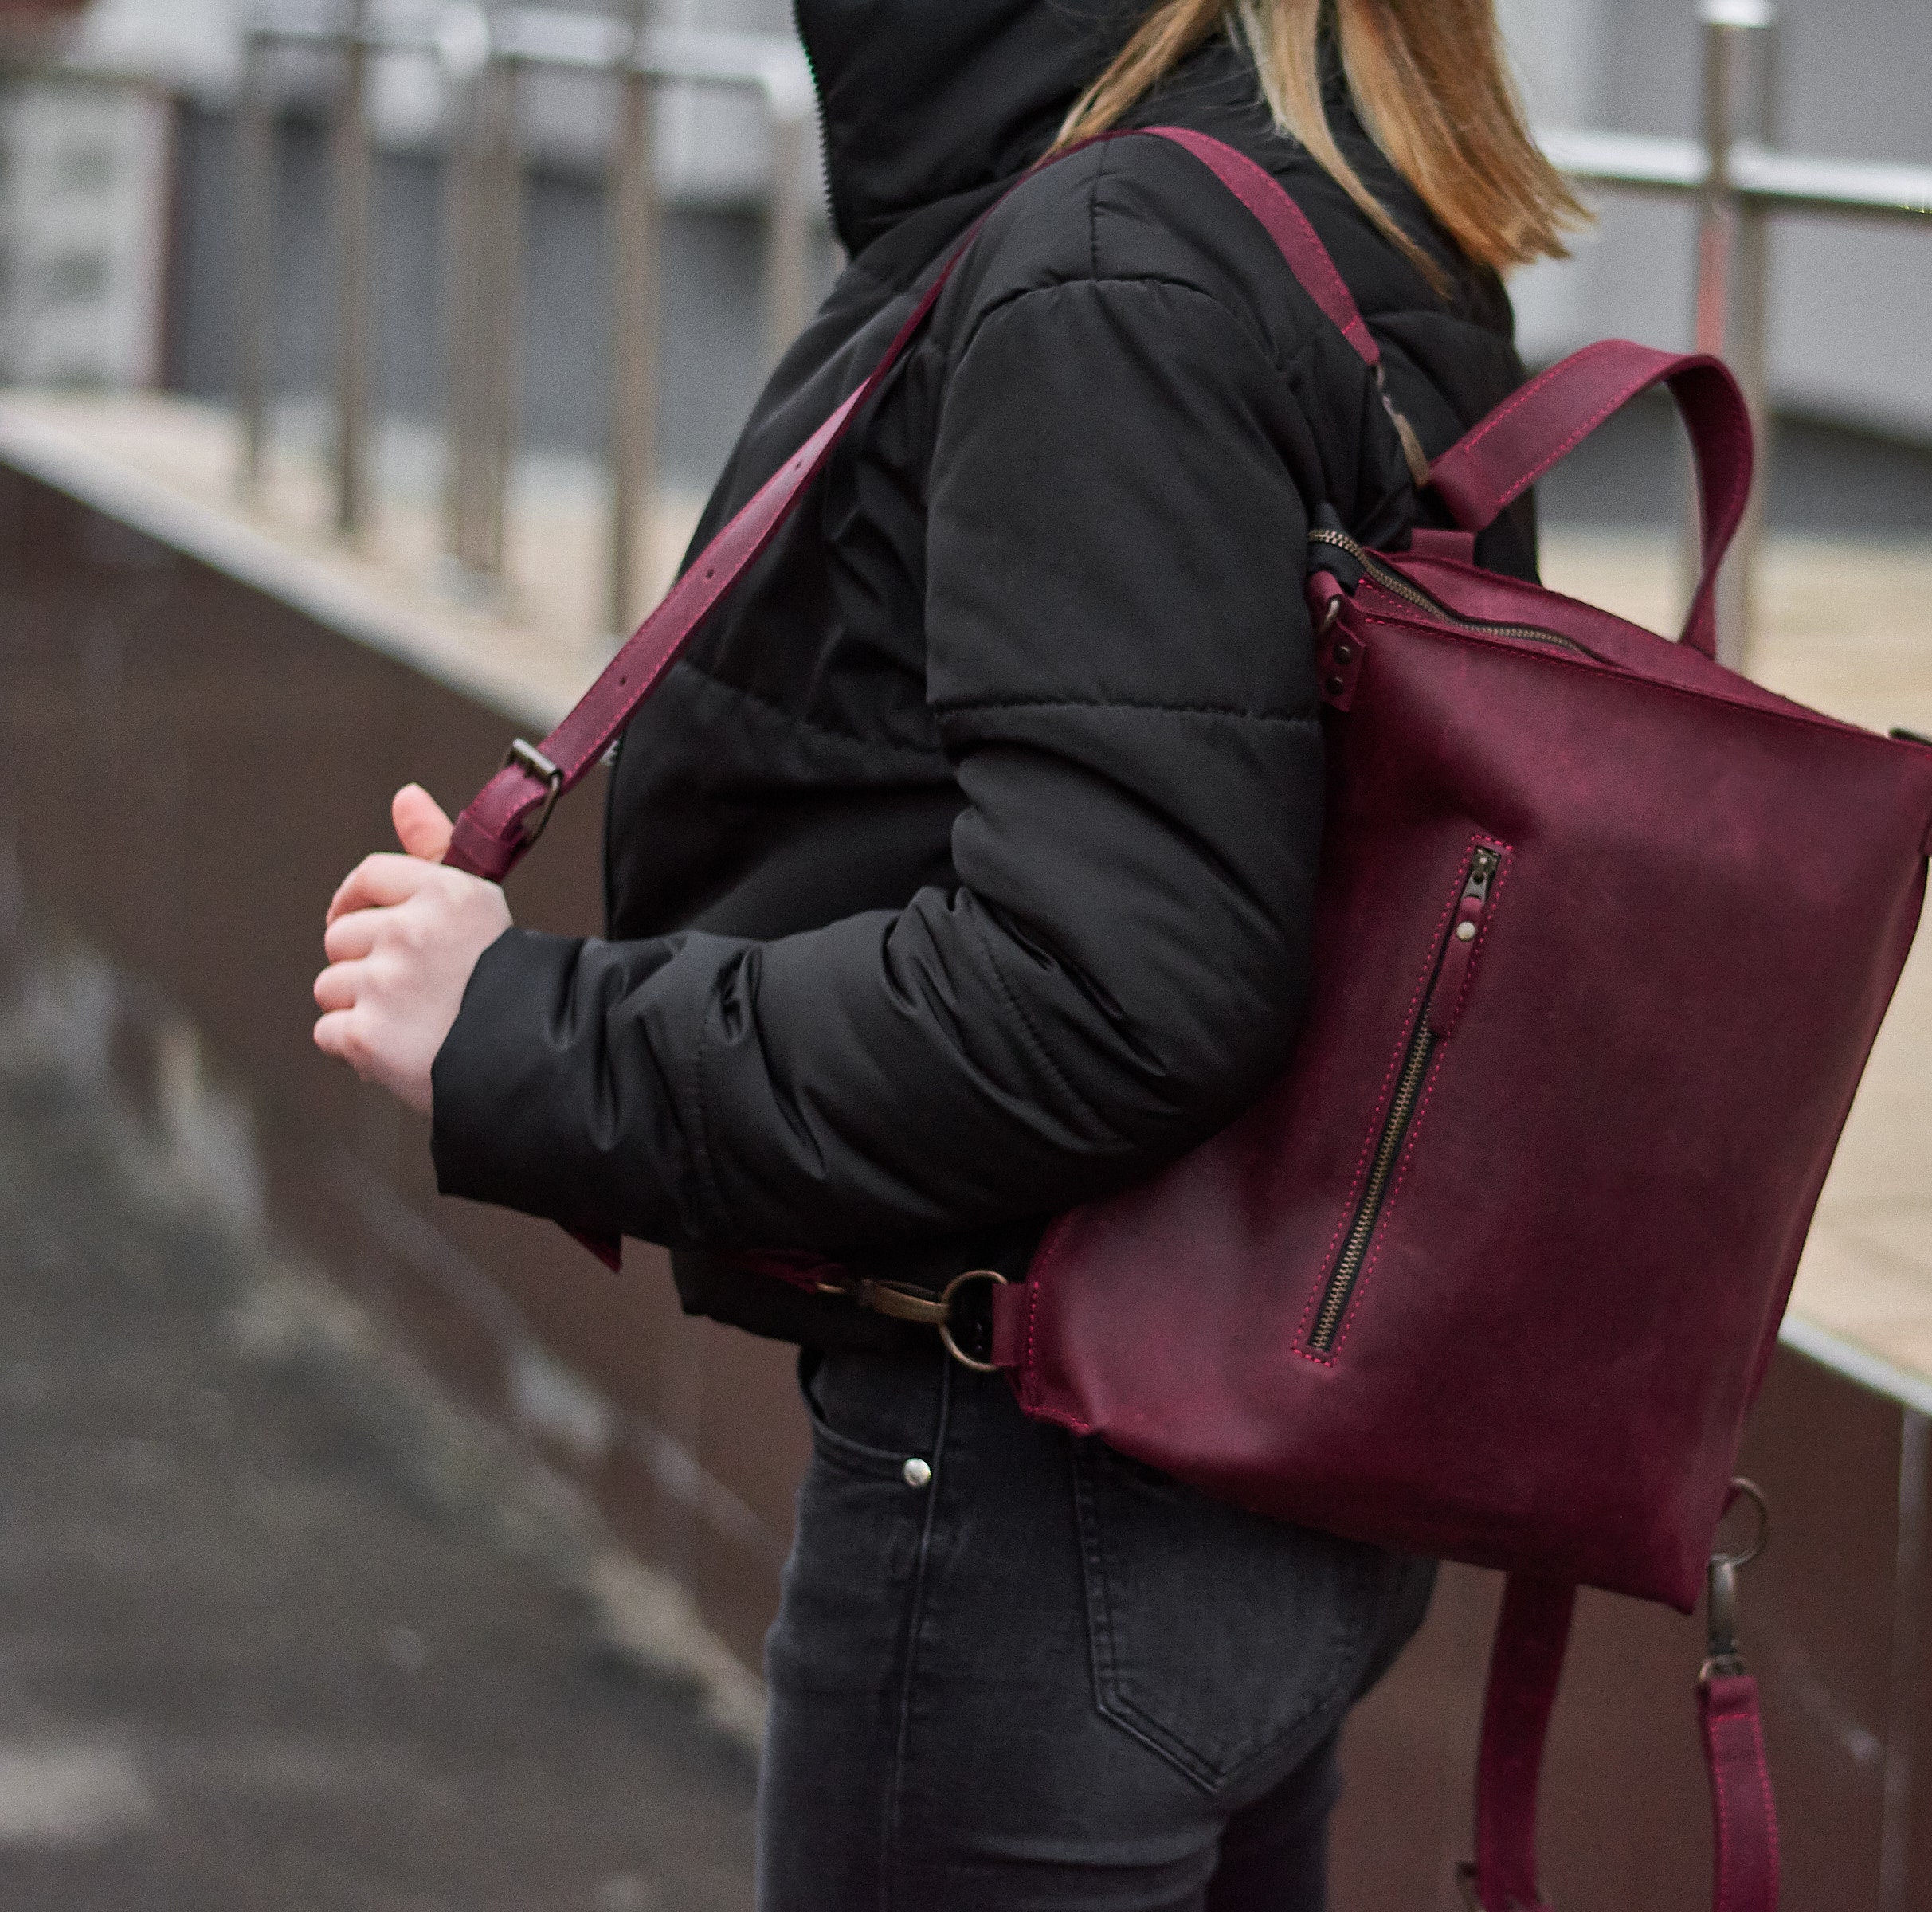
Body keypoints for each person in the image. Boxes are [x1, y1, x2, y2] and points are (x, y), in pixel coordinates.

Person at [312, 2, 1578, 1905]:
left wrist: (528, 1027)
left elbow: (1106, 984)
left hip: (1044, 1489)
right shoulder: (1339, 182)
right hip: (1260, 1453)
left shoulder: (1108, 255)